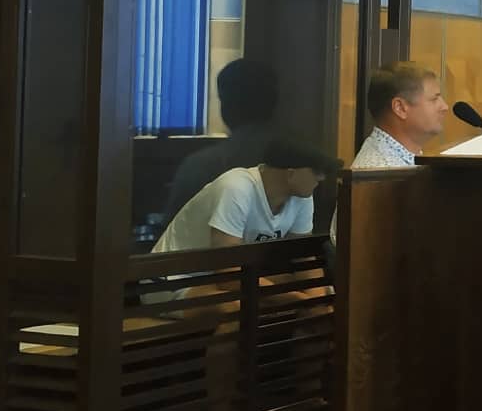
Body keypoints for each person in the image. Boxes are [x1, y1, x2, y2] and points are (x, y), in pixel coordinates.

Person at [146, 138, 339, 302]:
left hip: (222, 281)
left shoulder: (302, 196)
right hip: (171, 280)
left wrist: (316, 301)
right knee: (240, 308)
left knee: (318, 296)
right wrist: (297, 300)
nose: (322, 177)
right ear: (291, 173)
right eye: (316, 171)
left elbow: (303, 258)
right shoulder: (237, 188)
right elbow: (228, 275)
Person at [162, 58, 279, 224]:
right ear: (274, 101)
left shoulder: (201, 167)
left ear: (226, 105)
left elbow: (174, 233)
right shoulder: (304, 162)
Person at [351, 61, 447, 169]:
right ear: (400, 108)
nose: (445, 107)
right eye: (434, 99)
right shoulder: (382, 170)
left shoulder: (399, 163)